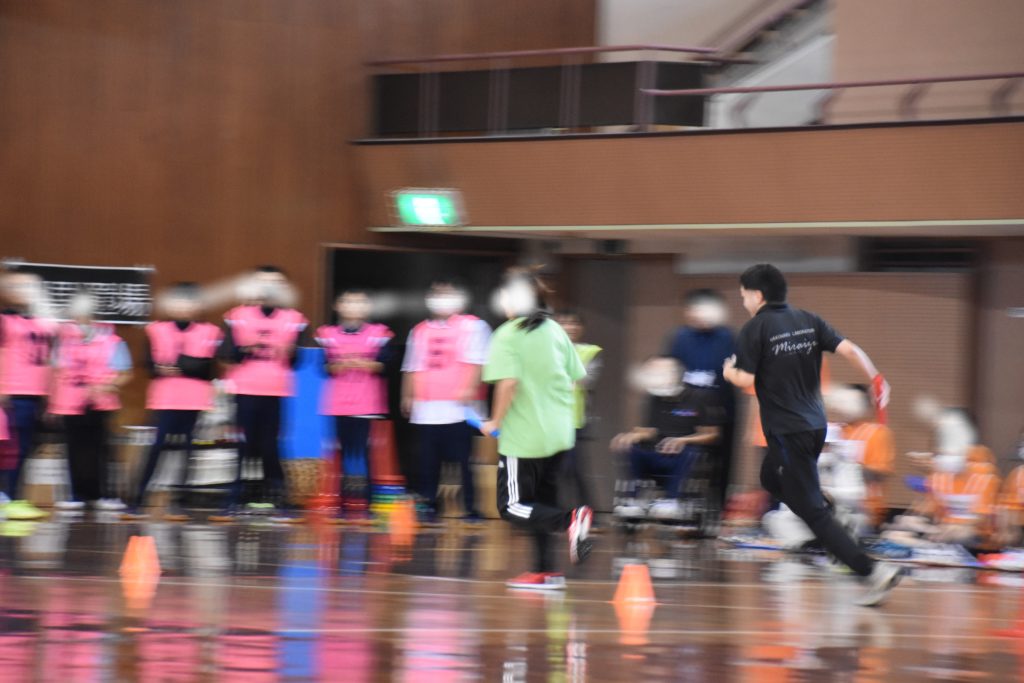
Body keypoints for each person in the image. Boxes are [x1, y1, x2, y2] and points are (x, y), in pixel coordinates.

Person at [722, 263, 900, 607]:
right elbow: (850, 350)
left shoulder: (755, 328)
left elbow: (747, 379)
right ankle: (829, 510)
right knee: (769, 477)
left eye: (744, 296)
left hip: (788, 431)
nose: (743, 302)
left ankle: (872, 572)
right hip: (814, 427)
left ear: (757, 295)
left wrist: (730, 373)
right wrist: (876, 378)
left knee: (811, 512)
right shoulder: (809, 319)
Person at [481, 269, 592, 590]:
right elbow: (575, 378)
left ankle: (571, 520)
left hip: (524, 437)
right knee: (540, 502)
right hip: (559, 433)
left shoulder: (507, 334)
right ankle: (545, 572)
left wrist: (495, 421)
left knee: (512, 506)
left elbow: (508, 383)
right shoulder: (555, 329)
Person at [212, 266, 309, 521]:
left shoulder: (295, 318)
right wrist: (246, 348)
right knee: (243, 444)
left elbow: (297, 361)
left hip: (276, 390)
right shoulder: (236, 316)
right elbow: (226, 354)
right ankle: (235, 497)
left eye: (276, 283)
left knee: (270, 444)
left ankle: (277, 496)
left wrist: (290, 351)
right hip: (244, 388)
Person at [124, 283, 223, 522]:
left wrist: (186, 367)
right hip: (165, 398)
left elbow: (212, 369)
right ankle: (138, 498)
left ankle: (180, 502)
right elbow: (148, 365)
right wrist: (162, 368)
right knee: (157, 446)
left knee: (188, 448)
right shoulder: (156, 329)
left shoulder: (211, 331)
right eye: (178, 302)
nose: (183, 307)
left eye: (189, 302)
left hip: (194, 398)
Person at [401, 279, 490, 524]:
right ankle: (429, 504)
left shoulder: (474, 326)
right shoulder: (419, 330)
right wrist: (407, 395)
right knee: (428, 460)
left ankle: (470, 507)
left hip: (460, 409)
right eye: (437, 295)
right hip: (426, 408)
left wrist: (470, 388)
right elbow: (411, 365)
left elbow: (479, 361)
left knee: (464, 460)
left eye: (448, 294)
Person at [48, 292, 133, 512]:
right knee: (73, 449)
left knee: (102, 449)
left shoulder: (112, 340)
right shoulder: (63, 339)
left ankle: (105, 495)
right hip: (69, 402)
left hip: (100, 402)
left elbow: (125, 373)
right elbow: (56, 371)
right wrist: (52, 403)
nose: (82, 317)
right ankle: (75, 495)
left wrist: (107, 385)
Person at [611, 356, 723, 521]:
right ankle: (633, 500)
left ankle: (672, 500)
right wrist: (631, 436)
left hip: (683, 456)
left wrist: (683, 440)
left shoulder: (699, 397)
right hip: (657, 453)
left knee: (690, 452)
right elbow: (650, 431)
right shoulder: (654, 398)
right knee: (631, 448)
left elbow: (712, 435)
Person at [316, 289, 394, 522]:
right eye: (348, 301)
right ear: (337, 306)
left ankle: (367, 504)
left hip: (366, 404)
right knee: (339, 454)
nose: (353, 306)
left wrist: (361, 363)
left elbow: (385, 365)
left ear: (367, 308)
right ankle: (340, 503)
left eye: (359, 302)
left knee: (362, 454)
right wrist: (343, 364)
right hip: (337, 404)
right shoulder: (326, 334)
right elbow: (325, 367)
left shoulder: (380, 333)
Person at [666, 289, 736, 508]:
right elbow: (670, 370)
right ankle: (677, 504)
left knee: (722, 462)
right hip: (687, 412)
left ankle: (718, 508)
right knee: (682, 456)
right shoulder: (679, 337)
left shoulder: (728, 337)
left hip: (722, 409)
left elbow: (737, 371)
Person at [0, 271, 55, 520]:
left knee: (23, 448)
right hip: (12, 393)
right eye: (20, 287)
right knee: (9, 449)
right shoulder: (4, 321)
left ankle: (15, 497)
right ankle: (7, 497)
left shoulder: (41, 322)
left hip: (35, 394)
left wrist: (48, 396)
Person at [828, 384, 895, 529]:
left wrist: (849, 465)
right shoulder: (831, 430)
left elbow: (881, 473)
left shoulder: (876, 433)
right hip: (829, 504)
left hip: (862, 509)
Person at [554, 310, 602, 510]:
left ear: (581, 328)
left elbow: (585, 379)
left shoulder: (589, 352)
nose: (570, 327)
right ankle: (556, 513)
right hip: (548, 421)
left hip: (576, 421)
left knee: (574, 469)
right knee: (553, 470)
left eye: (574, 323)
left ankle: (587, 512)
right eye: (564, 323)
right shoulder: (545, 352)